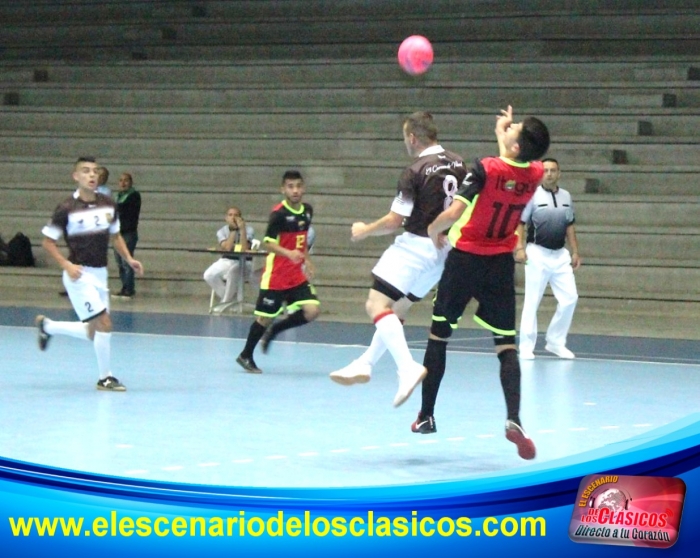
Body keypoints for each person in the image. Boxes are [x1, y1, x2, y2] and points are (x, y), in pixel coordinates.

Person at [416, 106, 550, 461]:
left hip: (465, 260)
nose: (510, 127)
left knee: (439, 335)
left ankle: (426, 414)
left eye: (515, 128)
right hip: (500, 265)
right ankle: (514, 418)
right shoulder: (535, 172)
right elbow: (509, 168)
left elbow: (457, 211)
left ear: (517, 146)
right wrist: (504, 133)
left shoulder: (482, 168)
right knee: (506, 345)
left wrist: (433, 229)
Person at [328, 111, 467, 409]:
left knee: (375, 305)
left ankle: (407, 368)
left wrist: (365, 230)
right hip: (442, 250)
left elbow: (394, 220)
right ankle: (365, 362)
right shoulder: (459, 163)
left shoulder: (414, 171)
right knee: (398, 308)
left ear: (413, 138)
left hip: (415, 247)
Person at [35, 156, 144, 391]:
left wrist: (129, 259)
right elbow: (47, 242)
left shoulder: (108, 204)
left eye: (95, 171)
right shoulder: (66, 208)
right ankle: (105, 378)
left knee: (93, 332)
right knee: (104, 322)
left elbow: (115, 236)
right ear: (76, 177)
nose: (91, 175)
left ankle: (48, 327)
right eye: (85, 171)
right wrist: (67, 265)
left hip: (100, 274)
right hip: (78, 274)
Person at [236, 170, 319, 374]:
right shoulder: (278, 214)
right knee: (263, 318)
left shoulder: (307, 211)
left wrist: (307, 260)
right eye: (290, 187)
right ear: (283, 189)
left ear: (304, 188)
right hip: (276, 276)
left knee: (312, 310)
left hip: (296, 275)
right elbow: (268, 243)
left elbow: (303, 240)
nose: (295, 190)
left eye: (298, 186)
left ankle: (276, 330)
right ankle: (246, 354)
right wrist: (288, 253)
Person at [516, 158, 580, 360]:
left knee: (570, 298)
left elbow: (569, 225)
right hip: (537, 253)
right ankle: (526, 346)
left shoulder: (566, 196)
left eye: (553, 170)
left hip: (560, 255)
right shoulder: (531, 196)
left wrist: (575, 251)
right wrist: (519, 247)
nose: (549, 174)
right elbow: (520, 223)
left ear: (559, 173)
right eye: (546, 170)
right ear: (540, 174)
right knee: (532, 301)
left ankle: (555, 342)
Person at [203, 206, 255, 313]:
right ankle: (233, 300)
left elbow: (245, 248)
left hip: (245, 261)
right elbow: (227, 248)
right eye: (230, 215)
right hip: (226, 260)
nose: (233, 218)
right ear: (226, 218)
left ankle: (225, 302)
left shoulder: (249, 230)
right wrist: (233, 231)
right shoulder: (221, 231)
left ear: (241, 218)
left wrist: (242, 230)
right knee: (209, 275)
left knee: (233, 271)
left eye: (236, 215)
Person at [111, 172, 142, 299]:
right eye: (121, 180)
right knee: (119, 262)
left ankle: (129, 288)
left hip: (128, 233)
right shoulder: (118, 196)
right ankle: (124, 287)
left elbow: (125, 212)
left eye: (126, 180)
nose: (123, 183)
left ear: (131, 183)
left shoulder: (134, 196)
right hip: (118, 233)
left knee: (127, 262)